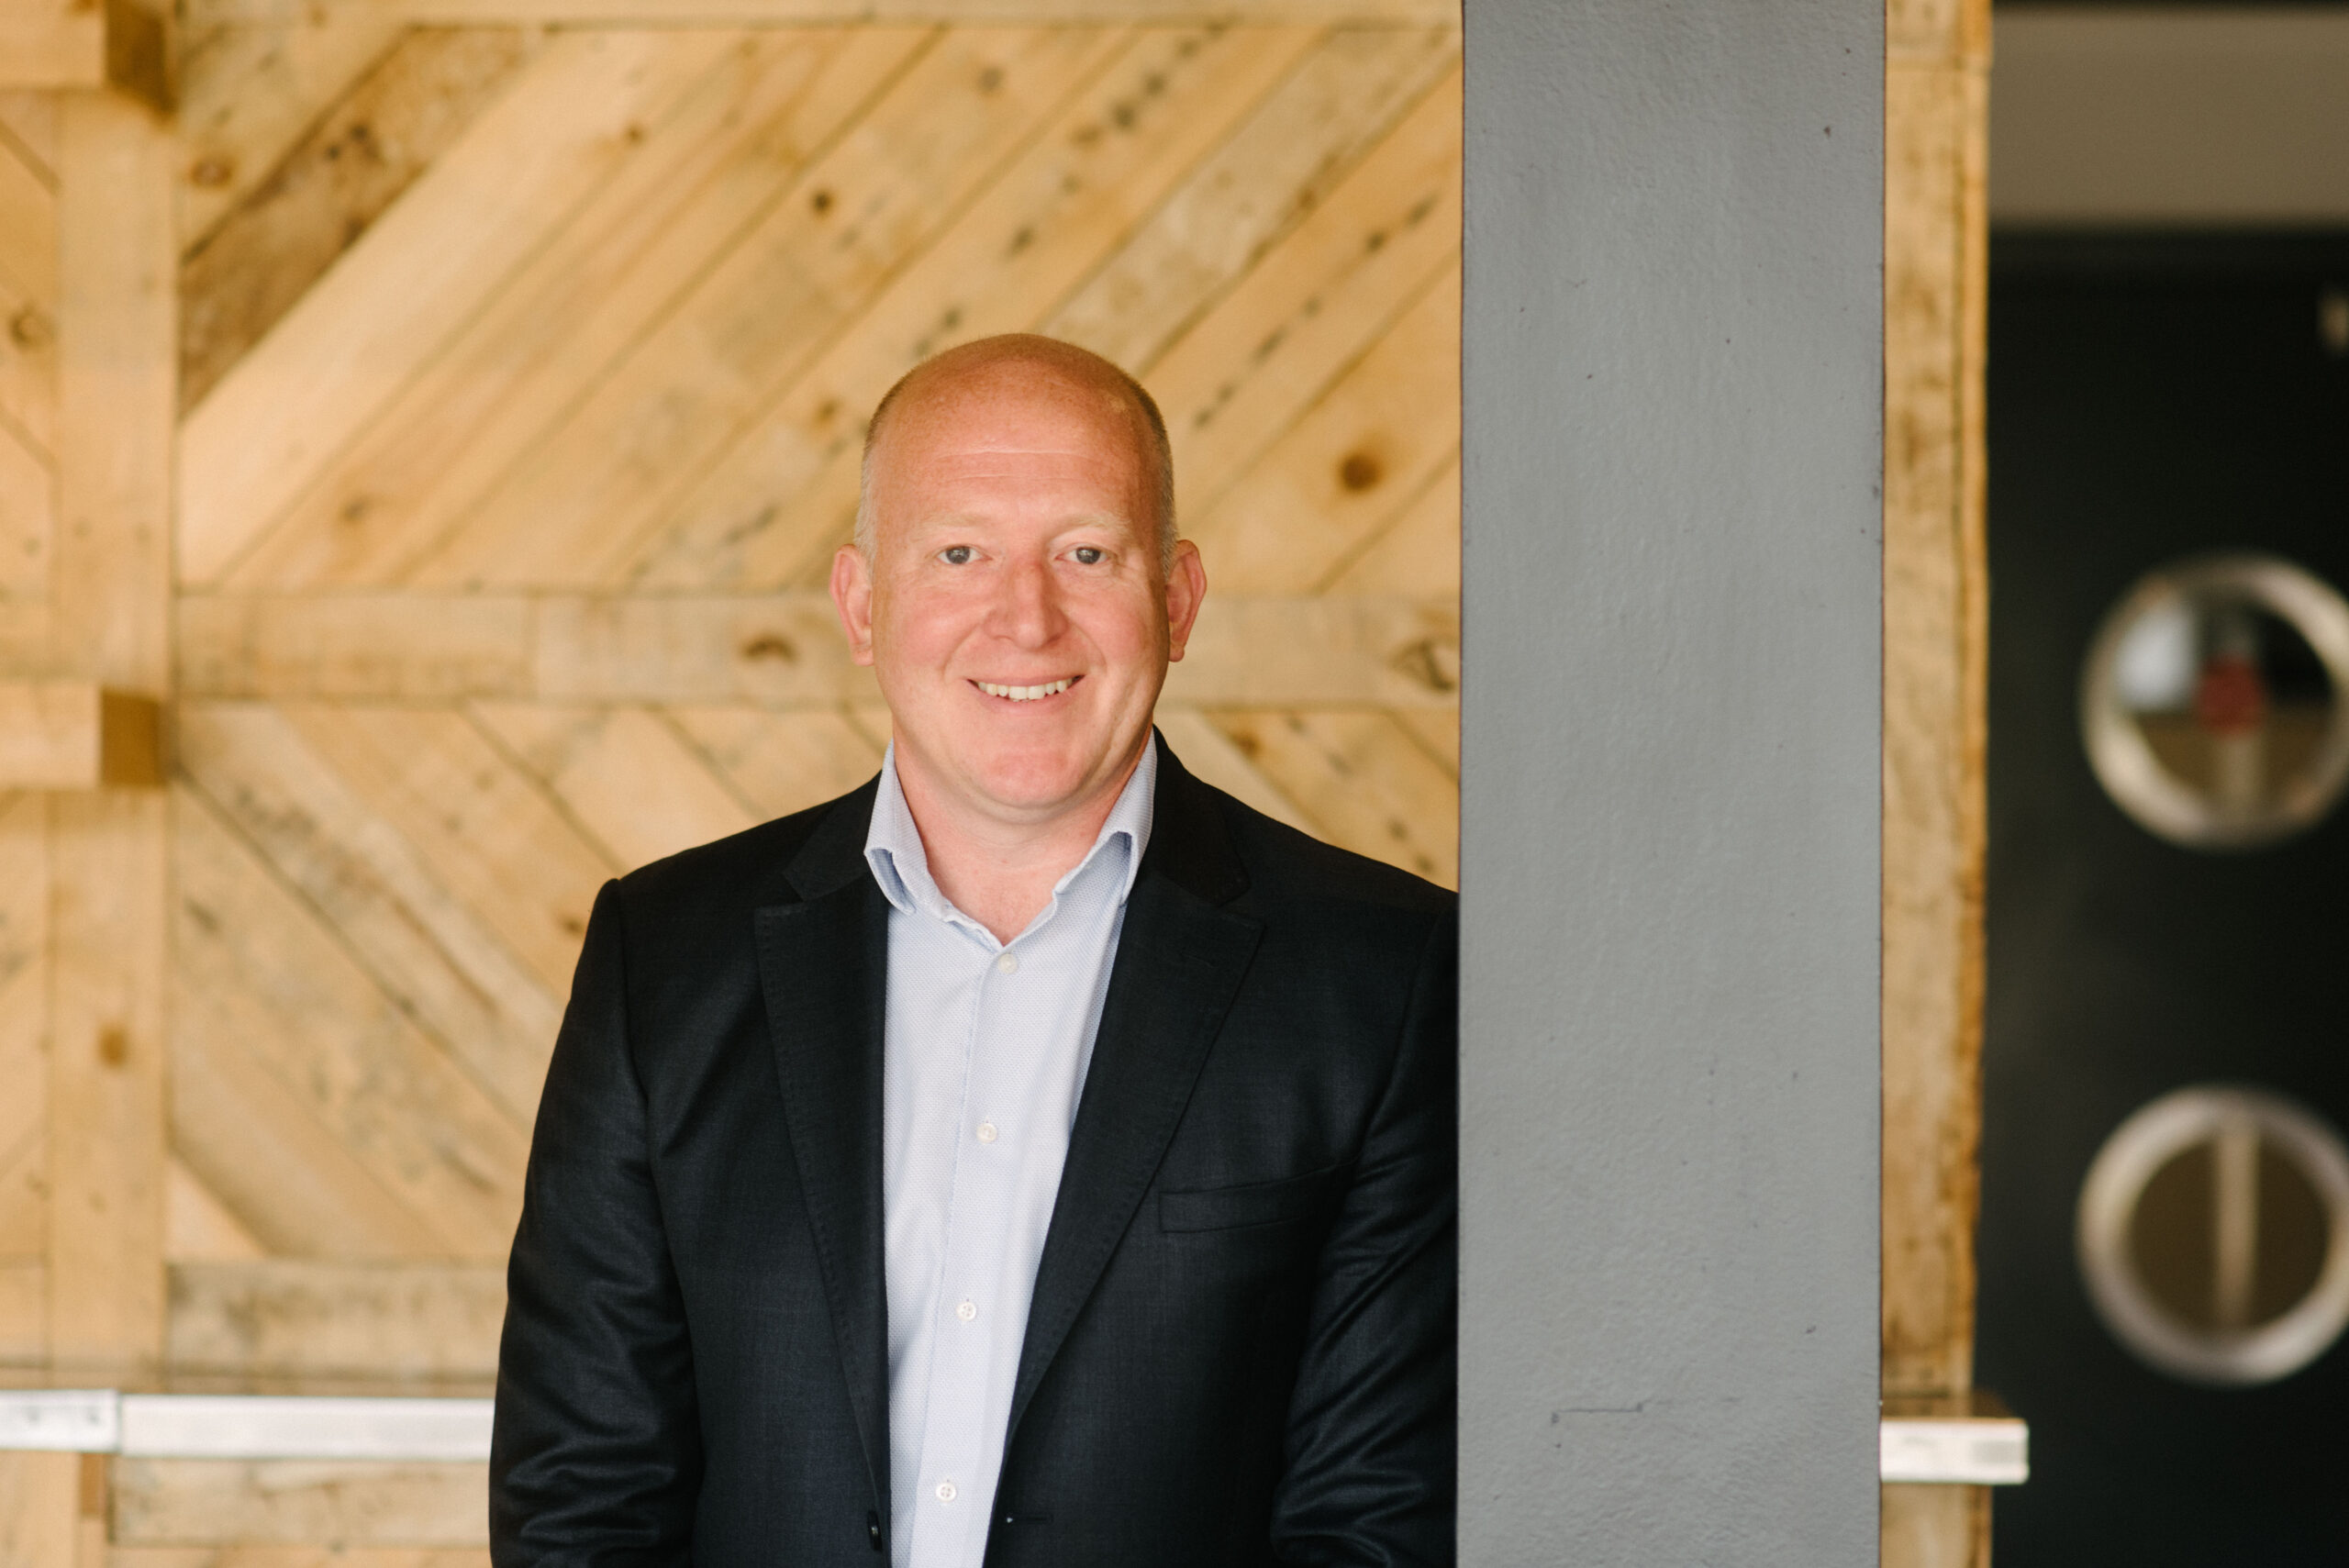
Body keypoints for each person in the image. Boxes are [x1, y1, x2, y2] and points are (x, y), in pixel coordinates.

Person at [490, 335, 1457, 1567]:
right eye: (959, 552)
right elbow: (582, 1495)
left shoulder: (1386, 981)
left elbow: (1373, 1518)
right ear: (860, 604)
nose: (1026, 616)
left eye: (1087, 552)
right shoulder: (662, 960)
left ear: (1178, 600)